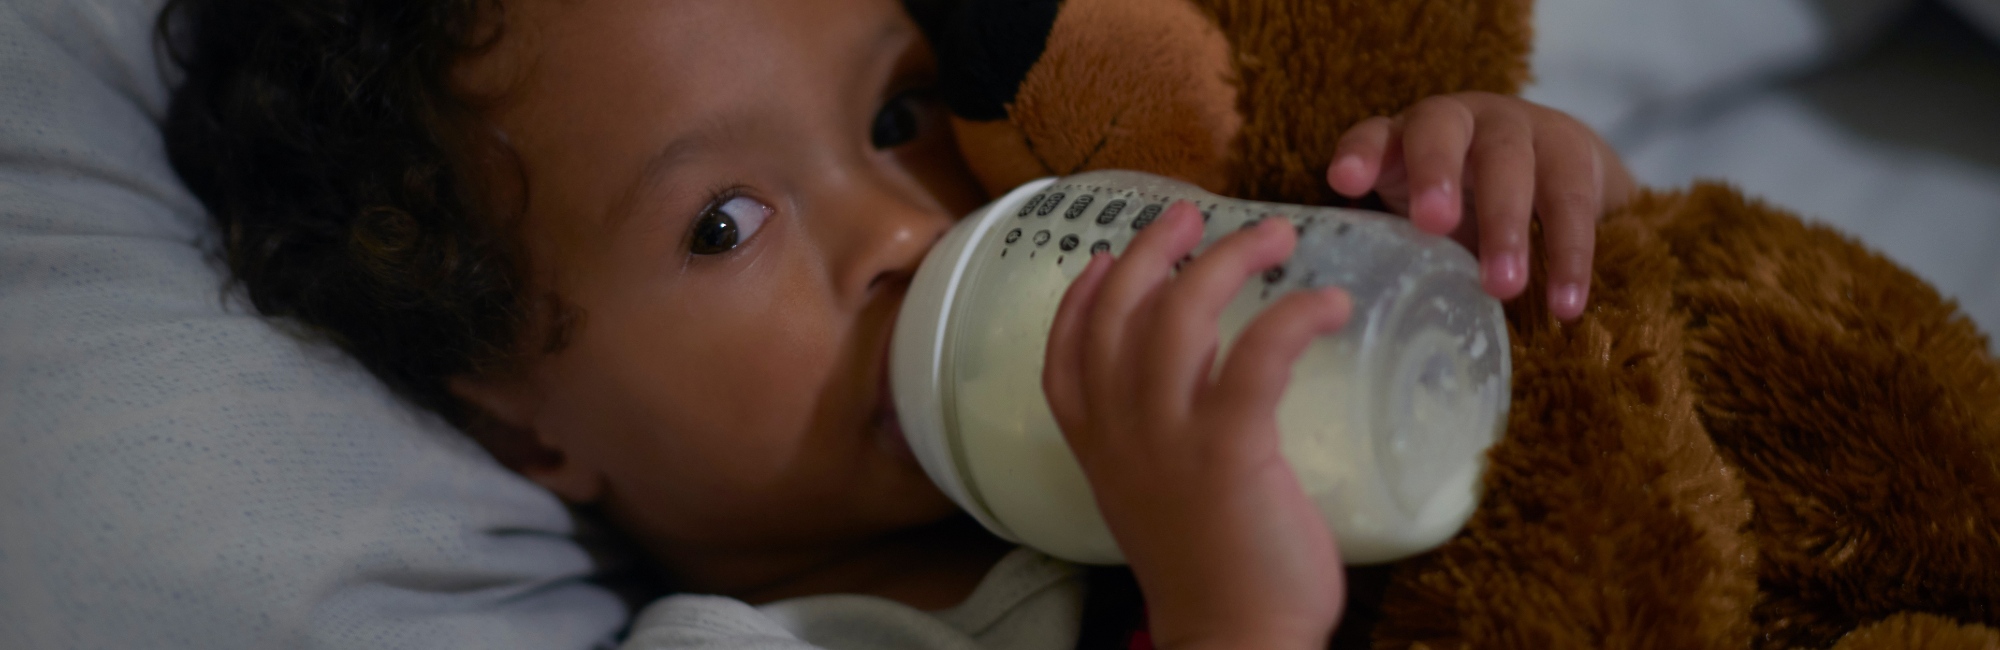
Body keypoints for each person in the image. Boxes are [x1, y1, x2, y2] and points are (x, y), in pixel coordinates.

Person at [159, 0, 1634, 647]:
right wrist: (1226, 620)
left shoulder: (1176, 282)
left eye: (895, 113)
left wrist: (1523, 198)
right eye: (723, 223)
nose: (904, 231)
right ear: (523, 427)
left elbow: (1649, 389)